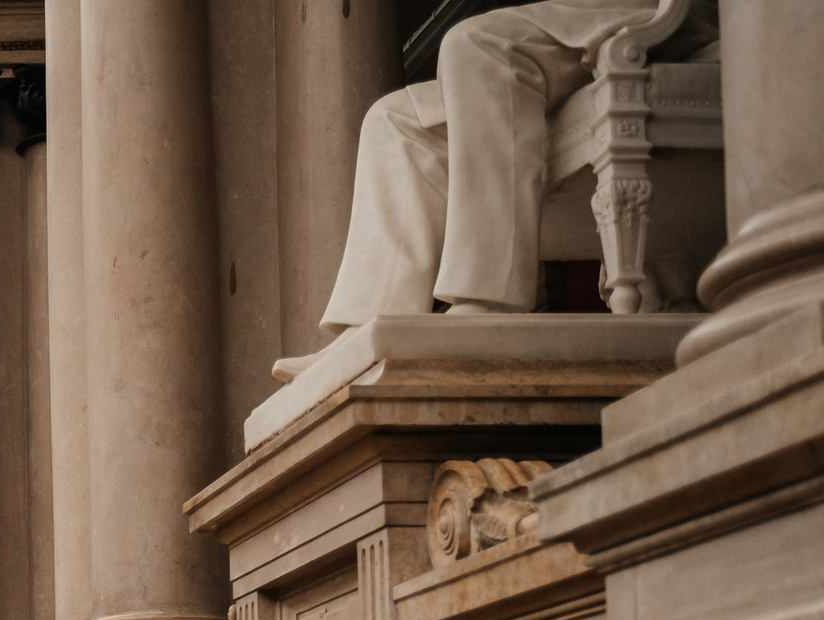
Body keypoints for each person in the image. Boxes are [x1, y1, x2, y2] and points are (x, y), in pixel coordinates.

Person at [282, 0, 719, 379]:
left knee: (476, 45)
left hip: (667, 13)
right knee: (393, 121)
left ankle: (489, 298)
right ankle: (367, 324)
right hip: (591, 14)